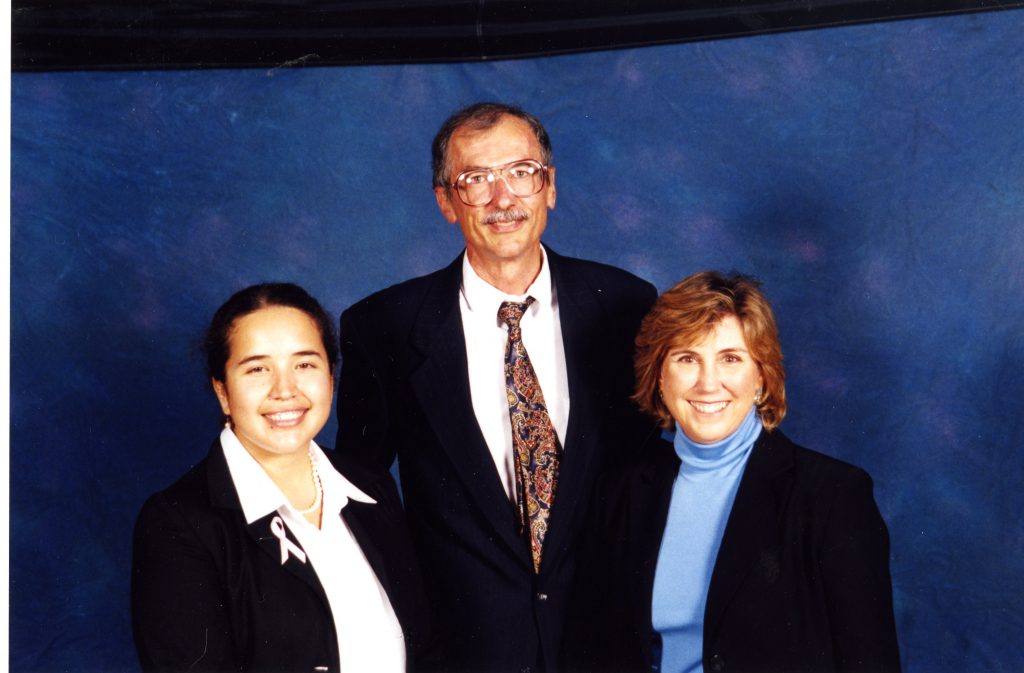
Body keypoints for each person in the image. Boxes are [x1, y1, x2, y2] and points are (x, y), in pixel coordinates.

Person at [335, 102, 657, 672]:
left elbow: (650, 473)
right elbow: (361, 493)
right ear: (445, 202)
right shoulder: (385, 325)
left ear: (549, 187)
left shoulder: (627, 306)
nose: (503, 198)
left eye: (521, 172)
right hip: (465, 650)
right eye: (476, 179)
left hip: (607, 640)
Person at [564, 271, 901, 673]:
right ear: (659, 378)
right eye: (687, 358)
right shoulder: (621, 493)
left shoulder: (832, 497)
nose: (709, 383)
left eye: (731, 359)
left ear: (761, 376)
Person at [132, 283, 437, 672]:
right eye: (258, 369)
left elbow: (424, 646)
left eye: (304, 364)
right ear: (222, 390)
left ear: (332, 376)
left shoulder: (370, 485)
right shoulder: (179, 523)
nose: (285, 390)